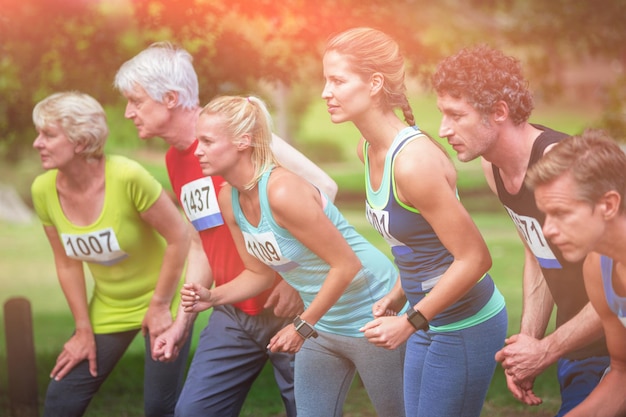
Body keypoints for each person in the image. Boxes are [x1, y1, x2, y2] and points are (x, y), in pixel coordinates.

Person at [114, 42, 338, 417]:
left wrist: (294, 281)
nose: (128, 112)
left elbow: (325, 189)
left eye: (136, 101)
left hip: (289, 309)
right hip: (233, 312)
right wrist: (182, 322)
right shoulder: (175, 159)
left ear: (169, 98)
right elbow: (201, 245)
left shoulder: (237, 133)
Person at [321, 27, 508, 417]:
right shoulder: (368, 148)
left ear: (374, 84)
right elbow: (422, 243)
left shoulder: (413, 163)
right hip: (429, 319)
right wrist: (402, 294)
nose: (326, 92)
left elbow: (474, 258)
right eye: (326, 80)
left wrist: (409, 321)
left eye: (337, 80)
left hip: (465, 323)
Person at [181, 94, 406, 417]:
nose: (197, 150)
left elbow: (347, 265)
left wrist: (301, 325)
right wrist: (212, 296)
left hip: (371, 311)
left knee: (399, 411)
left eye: (206, 141)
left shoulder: (283, 191)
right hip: (322, 322)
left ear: (243, 141)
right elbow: (257, 274)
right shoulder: (229, 197)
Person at [432, 45, 610, 416]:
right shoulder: (492, 168)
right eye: (442, 114)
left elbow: (620, 283)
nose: (443, 129)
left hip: (612, 345)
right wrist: (529, 341)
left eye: (456, 115)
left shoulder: (564, 165)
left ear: (499, 111)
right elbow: (537, 248)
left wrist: (547, 348)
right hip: (577, 344)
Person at [30, 91, 191, 417]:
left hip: (164, 300)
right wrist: (82, 329)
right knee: (60, 402)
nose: (37, 143)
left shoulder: (128, 176)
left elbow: (180, 237)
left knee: (160, 408)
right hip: (109, 305)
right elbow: (67, 263)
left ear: (79, 140)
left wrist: (160, 305)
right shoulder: (42, 190)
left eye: (48, 135)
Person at [525, 129, 626, 417]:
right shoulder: (598, 267)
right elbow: (621, 374)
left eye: (561, 213)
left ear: (608, 204)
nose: (547, 230)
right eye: (545, 215)